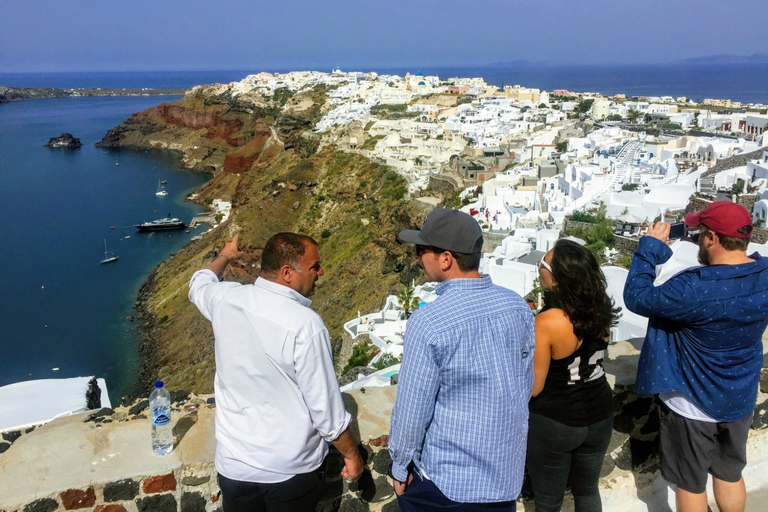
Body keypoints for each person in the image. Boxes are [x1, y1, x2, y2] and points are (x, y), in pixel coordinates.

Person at [188, 233, 363, 512]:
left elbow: (199, 282)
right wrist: (352, 456)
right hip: (290, 473)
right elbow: (326, 412)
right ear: (287, 273)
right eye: (315, 266)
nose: (321, 272)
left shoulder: (226, 298)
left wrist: (225, 256)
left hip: (234, 468)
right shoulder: (306, 325)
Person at [623, 201, 768, 512]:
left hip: (692, 404)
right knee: (730, 475)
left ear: (712, 238)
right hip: (739, 398)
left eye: (700, 233)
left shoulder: (693, 289)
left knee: (690, 484)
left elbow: (637, 296)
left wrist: (650, 248)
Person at [388, 209, 535, 511]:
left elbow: (412, 410)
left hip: (448, 483)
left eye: (421, 250)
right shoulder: (516, 306)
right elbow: (523, 384)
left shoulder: (429, 321)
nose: (417, 257)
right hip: (504, 479)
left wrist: (400, 466)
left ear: (445, 259)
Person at [526, 240, 620, 511]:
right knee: (588, 491)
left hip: (557, 421)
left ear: (557, 280)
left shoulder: (547, 322)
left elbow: (534, 386)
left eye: (542, 263)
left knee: (548, 502)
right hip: (599, 413)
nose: (538, 266)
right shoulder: (600, 309)